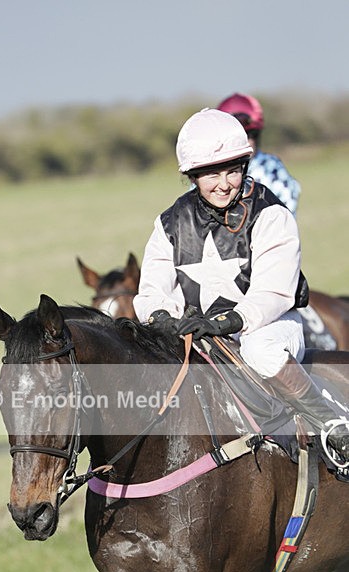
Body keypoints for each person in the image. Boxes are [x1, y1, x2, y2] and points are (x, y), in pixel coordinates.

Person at [133, 107, 349, 469]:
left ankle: (331, 424)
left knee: (258, 348)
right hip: (203, 336)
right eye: (211, 174)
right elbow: (151, 290)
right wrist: (163, 318)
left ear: (245, 166)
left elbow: (275, 292)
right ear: (192, 175)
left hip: (270, 328)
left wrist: (227, 322)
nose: (223, 183)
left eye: (232, 170)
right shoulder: (169, 223)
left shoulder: (271, 214)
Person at [217, 93, 301, 215]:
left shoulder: (272, 169)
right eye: (236, 139)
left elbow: (285, 215)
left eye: (251, 135)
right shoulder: (208, 172)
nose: (245, 143)